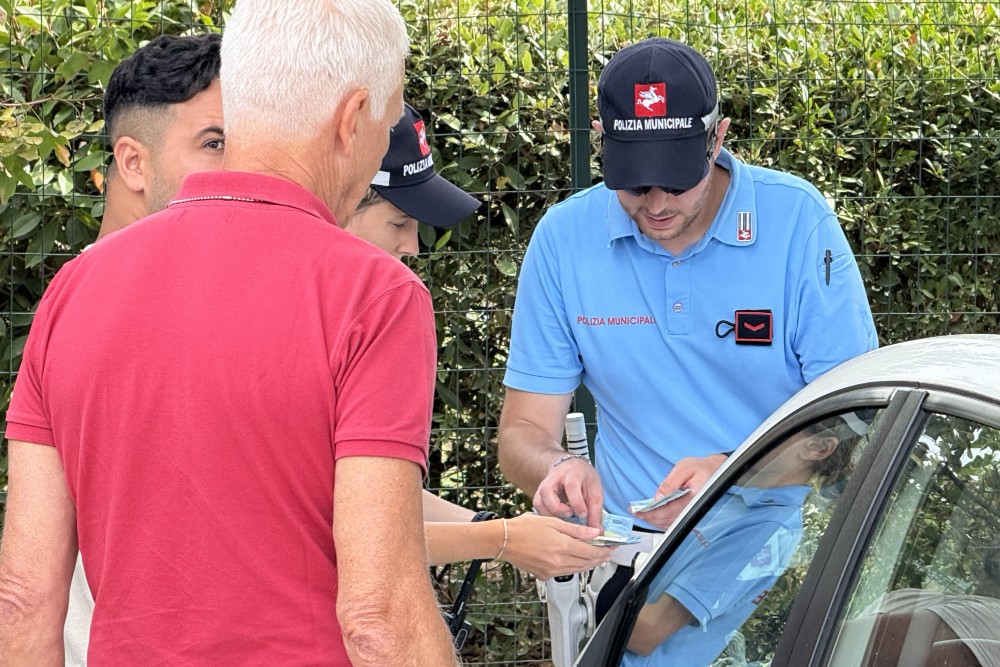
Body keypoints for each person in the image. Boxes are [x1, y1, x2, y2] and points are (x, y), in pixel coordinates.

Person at [0, 2, 458, 665]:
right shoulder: (374, 295)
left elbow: (22, 597)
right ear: (351, 118)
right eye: (386, 128)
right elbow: (378, 614)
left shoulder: (73, 290)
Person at [497, 36, 879, 623]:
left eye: (676, 181)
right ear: (601, 142)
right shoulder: (562, 240)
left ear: (718, 138)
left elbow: (855, 420)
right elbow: (522, 430)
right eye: (632, 183)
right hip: (634, 563)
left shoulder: (798, 223)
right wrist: (555, 469)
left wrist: (731, 473)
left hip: (788, 558)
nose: (654, 204)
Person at [343, 102, 612, 577]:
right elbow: (358, 529)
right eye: (398, 222)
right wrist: (501, 539)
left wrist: (493, 527)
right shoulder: (386, 303)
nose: (413, 247)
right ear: (343, 197)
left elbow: (375, 492)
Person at [62, 33, 226, 666]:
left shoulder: (73, 301)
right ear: (132, 163)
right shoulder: (121, 309)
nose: (239, 167)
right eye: (214, 143)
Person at [626, 413, 869, 664]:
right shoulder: (742, 494)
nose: (754, 427)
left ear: (818, 448)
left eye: (778, 422)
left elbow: (646, 634)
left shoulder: (768, 530)